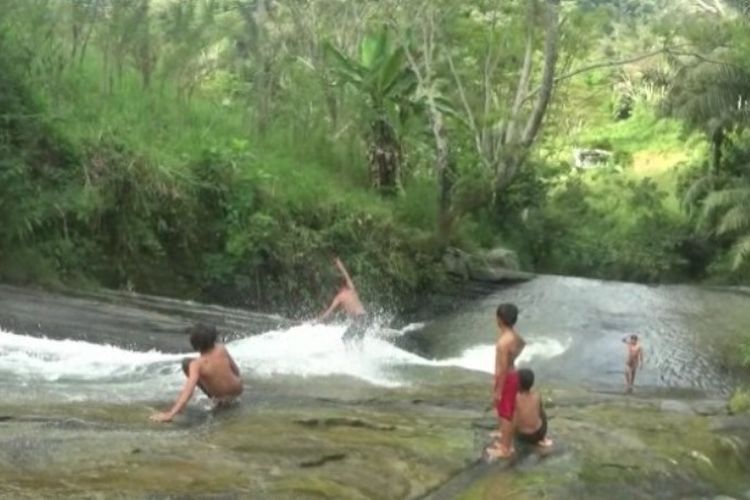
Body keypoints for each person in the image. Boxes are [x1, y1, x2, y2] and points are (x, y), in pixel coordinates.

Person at [150, 323, 243, 423]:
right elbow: (236, 371)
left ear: (194, 344)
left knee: (186, 363)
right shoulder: (221, 348)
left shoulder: (197, 364)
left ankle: (218, 399)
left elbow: (188, 391)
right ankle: (222, 397)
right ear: (214, 338)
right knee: (188, 362)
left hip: (223, 396)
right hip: (238, 389)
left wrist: (171, 414)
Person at [486, 303, 526, 459]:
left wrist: (498, 391)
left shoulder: (503, 342)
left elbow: (502, 369)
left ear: (499, 319)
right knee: (509, 410)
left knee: (505, 413)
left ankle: (506, 448)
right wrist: (513, 357)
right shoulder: (513, 335)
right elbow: (523, 344)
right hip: (512, 374)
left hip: (506, 378)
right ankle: (505, 439)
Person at [318, 257, 368, 343]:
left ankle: (349, 356)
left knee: (345, 339)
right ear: (345, 284)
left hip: (359, 319)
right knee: (358, 341)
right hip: (365, 318)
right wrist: (340, 264)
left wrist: (319, 319)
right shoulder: (352, 289)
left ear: (337, 287)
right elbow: (346, 275)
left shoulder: (339, 297)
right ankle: (360, 355)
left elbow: (329, 311)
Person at [514, 368, 553, 448]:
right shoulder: (537, 395)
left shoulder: (515, 398)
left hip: (524, 437)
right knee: (541, 410)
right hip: (539, 433)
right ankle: (543, 438)